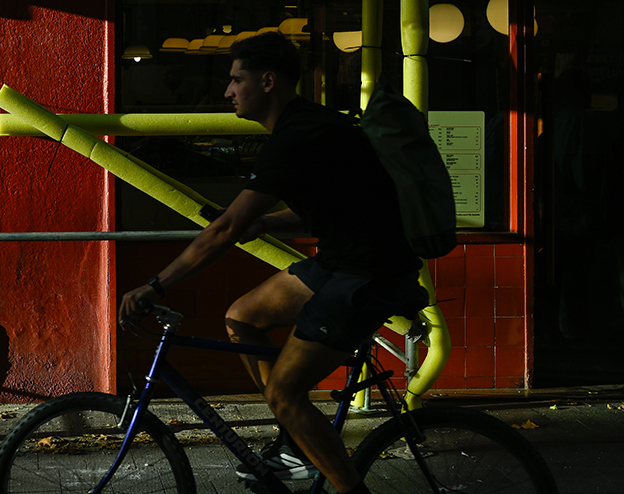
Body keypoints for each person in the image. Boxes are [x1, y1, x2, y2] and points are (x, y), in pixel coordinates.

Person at [119, 31, 426, 494]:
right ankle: (296, 442)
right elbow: (331, 206)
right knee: (242, 317)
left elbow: (225, 230)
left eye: (236, 80)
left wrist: (156, 285)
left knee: (284, 392)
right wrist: (264, 223)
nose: (227, 91)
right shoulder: (307, 125)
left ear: (267, 81)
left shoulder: (296, 137)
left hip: (366, 276)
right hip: (343, 263)